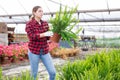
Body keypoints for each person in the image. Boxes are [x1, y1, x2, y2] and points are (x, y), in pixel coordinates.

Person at [25, 6, 56, 80]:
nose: (42, 13)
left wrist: (51, 35)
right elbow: (31, 36)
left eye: (42, 11)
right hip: (34, 51)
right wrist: (44, 34)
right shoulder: (29, 24)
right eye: (39, 11)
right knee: (34, 74)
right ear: (34, 12)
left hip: (45, 51)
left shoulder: (45, 23)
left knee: (53, 72)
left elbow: (48, 37)